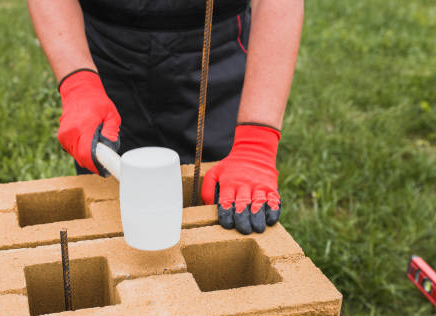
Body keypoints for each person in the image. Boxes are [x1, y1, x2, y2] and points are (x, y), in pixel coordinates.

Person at [27, 0, 303, 235]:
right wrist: (78, 84)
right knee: (109, 209)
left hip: (217, 46)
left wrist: (256, 143)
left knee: (227, 213)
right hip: (104, 48)